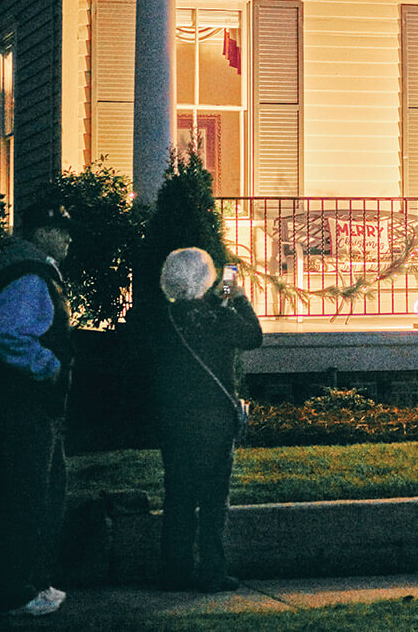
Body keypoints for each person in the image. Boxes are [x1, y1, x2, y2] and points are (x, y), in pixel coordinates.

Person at [151, 247, 263, 592]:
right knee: (214, 499)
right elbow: (254, 336)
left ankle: (175, 569)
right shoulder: (219, 317)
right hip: (214, 418)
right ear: (205, 279)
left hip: (175, 419)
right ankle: (212, 570)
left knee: (179, 495)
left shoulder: (163, 319)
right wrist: (238, 296)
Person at [0, 200, 75, 618]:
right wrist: (51, 367)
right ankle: (16, 590)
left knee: (40, 493)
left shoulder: (31, 272)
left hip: (33, 405)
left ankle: (29, 583)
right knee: (27, 495)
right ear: (40, 233)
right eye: (61, 230)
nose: (68, 238)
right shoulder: (29, 276)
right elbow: (11, 336)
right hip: (28, 405)